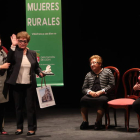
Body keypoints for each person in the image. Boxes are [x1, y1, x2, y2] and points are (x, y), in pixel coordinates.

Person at [6, 31, 44, 136]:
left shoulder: (32, 53)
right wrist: (13, 46)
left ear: (27, 42)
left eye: (25, 41)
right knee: (18, 107)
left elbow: (36, 66)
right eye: (20, 41)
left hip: (29, 84)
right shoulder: (14, 52)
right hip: (17, 84)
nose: (22, 43)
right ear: (17, 41)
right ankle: (19, 127)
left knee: (30, 107)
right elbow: (9, 60)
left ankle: (31, 128)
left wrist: (40, 72)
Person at [80, 55, 115, 130]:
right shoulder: (88, 74)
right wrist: (90, 92)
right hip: (92, 93)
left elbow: (112, 85)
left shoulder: (107, 71)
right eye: (91, 63)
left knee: (101, 100)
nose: (92, 65)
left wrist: (102, 91)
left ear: (100, 64)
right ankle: (85, 122)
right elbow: (84, 88)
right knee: (83, 100)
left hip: (104, 93)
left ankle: (98, 122)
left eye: (94, 62)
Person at [0, 35, 10, 135]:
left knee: (2, 106)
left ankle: (1, 127)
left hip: (3, 82)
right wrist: (1, 66)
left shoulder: (4, 50)